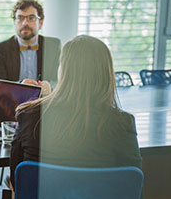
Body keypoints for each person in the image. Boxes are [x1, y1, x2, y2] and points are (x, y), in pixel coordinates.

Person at [9, 35, 142, 189]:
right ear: (107, 74)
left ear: (63, 71)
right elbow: (134, 189)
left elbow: (16, 180)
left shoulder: (29, 115)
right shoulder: (122, 123)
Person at [0, 0, 61, 95]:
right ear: (14, 22)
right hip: (13, 105)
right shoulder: (0, 50)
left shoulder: (53, 46)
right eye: (20, 18)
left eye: (31, 18)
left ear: (41, 23)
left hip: (45, 104)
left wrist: (50, 87)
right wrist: (20, 87)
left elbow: (63, 81)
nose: (25, 23)